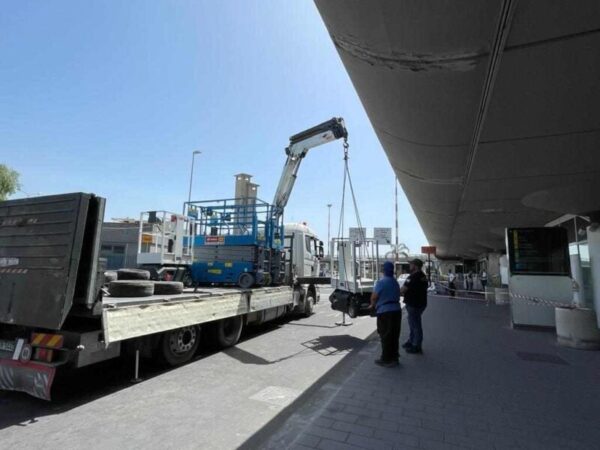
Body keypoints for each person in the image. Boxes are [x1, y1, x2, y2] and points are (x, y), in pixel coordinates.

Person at [369, 261, 401, 368]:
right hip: (397, 311)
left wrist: (372, 305)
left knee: (385, 335)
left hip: (385, 312)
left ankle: (386, 359)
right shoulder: (395, 282)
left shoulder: (381, 282)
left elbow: (374, 297)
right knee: (394, 336)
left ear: (383, 271)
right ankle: (395, 358)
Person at [401, 259, 428, 354]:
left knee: (415, 325)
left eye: (411, 264)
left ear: (415, 266)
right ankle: (411, 341)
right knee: (413, 323)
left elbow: (403, 290)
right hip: (421, 304)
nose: (409, 266)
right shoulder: (423, 276)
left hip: (413, 304)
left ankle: (416, 346)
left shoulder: (412, 277)